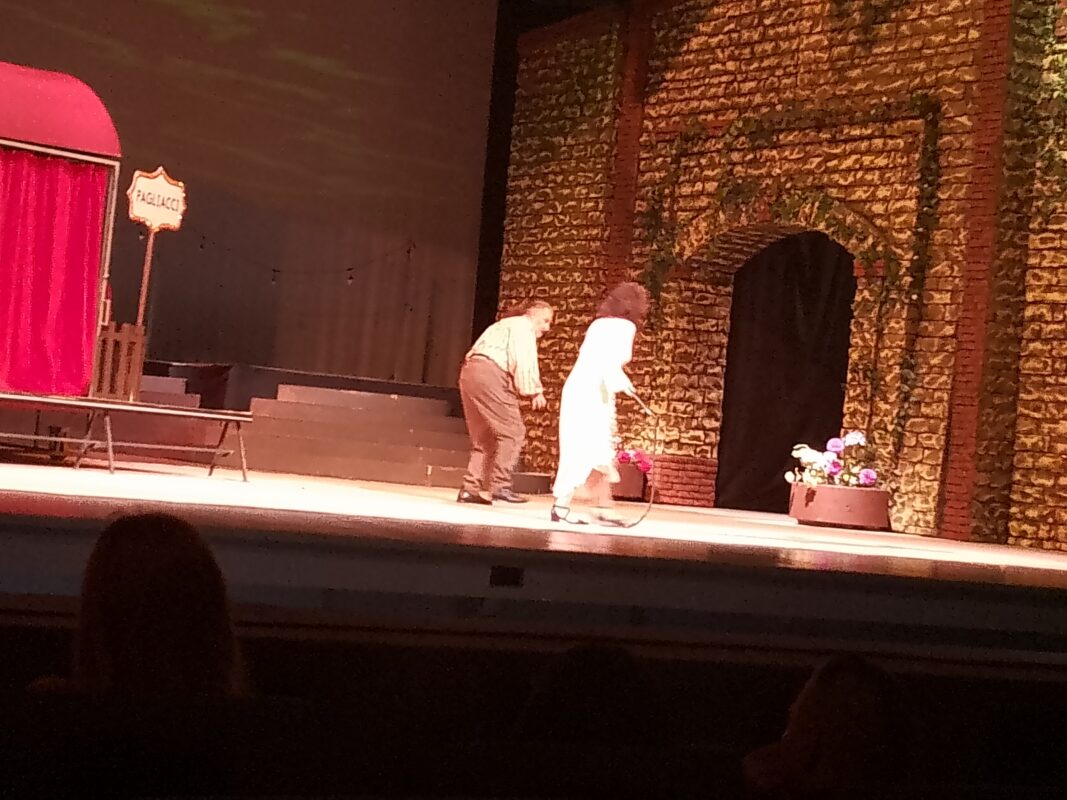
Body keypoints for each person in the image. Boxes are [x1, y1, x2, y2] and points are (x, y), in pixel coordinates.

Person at [551, 282, 649, 525]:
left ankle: (593, 505)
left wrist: (618, 381)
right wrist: (622, 382)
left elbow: (594, 358)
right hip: (594, 391)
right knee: (595, 446)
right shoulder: (625, 327)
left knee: (583, 447)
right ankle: (583, 505)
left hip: (578, 387)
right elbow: (610, 361)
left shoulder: (598, 324)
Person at [457, 300, 553, 504]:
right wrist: (534, 391)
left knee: (484, 438)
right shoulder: (522, 326)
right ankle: (500, 486)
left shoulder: (503, 325)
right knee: (513, 432)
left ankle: (470, 488)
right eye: (545, 320)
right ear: (533, 314)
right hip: (490, 374)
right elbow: (524, 359)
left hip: (469, 372)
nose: (547, 327)